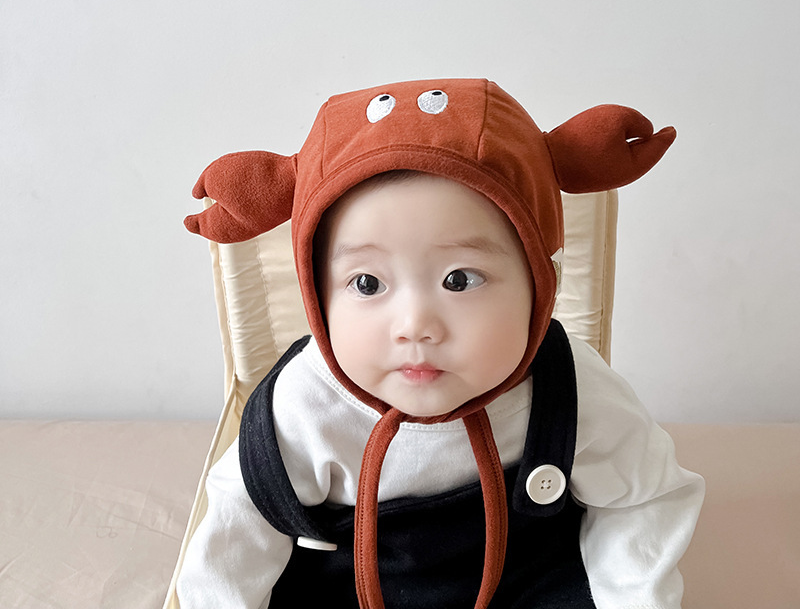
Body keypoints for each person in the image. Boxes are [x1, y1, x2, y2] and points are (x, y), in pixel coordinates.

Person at [178, 78, 704, 609]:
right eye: (367, 284)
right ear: (318, 297)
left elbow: (644, 497)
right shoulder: (303, 408)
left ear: (541, 283)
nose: (415, 326)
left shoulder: (572, 389)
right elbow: (233, 545)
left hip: (529, 580)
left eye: (460, 280)